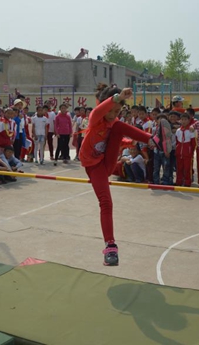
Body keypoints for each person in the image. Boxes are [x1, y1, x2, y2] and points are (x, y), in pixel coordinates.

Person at [79, 85, 156, 266]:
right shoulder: (95, 119)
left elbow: (115, 139)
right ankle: (110, 247)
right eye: (111, 111)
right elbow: (97, 112)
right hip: (93, 166)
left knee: (119, 126)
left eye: (118, 111)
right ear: (105, 105)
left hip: (107, 162)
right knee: (106, 202)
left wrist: (130, 141)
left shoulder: (114, 123)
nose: (113, 114)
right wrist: (117, 98)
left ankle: (152, 139)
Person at [175, 113, 195, 187]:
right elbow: (177, 141)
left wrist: (191, 152)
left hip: (187, 153)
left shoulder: (190, 130)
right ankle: (179, 181)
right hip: (179, 152)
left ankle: (187, 182)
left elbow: (193, 143)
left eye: (185, 120)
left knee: (187, 168)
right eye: (182, 119)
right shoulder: (178, 130)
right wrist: (177, 149)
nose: (183, 121)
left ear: (189, 120)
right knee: (179, 168)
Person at [152, 113, 173, 185]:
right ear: (156, 121)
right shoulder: (154, 129)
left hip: (165, 152)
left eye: (163, 119)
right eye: (159, 119)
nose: (161, 120)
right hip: (156, 151)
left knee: (166, 167)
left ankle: (165, 181)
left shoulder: (167, 130)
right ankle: (156, 181)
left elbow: (169, 140)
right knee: (156, 168)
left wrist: (167, 151)